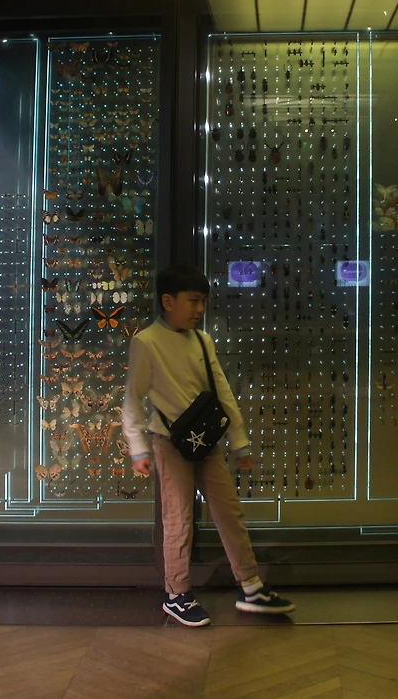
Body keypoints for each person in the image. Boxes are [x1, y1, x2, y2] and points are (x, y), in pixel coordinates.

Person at [121, 263, 295, 627]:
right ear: (168, 301)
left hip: (206, 440)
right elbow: (133, 399)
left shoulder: (202, 340)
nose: (200, 309)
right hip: (169, 441)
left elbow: (222, 390)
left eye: (203, 301)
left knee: (229, 511)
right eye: (193, 300)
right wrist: (138, 448)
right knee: (178, 517)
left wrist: (240, 442)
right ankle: (176, 593)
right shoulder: (146, 342)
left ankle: (251, 586)